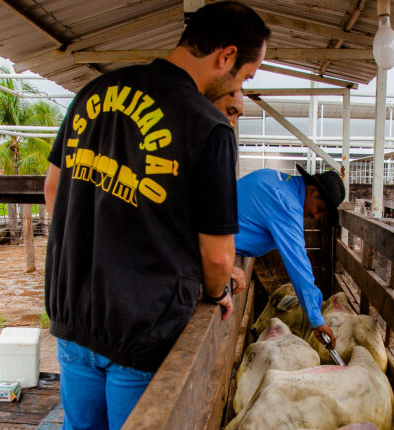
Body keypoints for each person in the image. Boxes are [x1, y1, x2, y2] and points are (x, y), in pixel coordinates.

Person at [43, 2, 269, 428]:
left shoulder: (93, 92)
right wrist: (218, 292)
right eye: (244, 74)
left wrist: (92, 257)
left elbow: (54, 190)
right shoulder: (209, 127)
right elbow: (219, 259)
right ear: (226, 56)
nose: (238, 86)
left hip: (72, 314)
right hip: (142, 329)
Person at [211, 91, 343, 348]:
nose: (316, 216)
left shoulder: (273, 178)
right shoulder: (286, 203)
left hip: (209, 242)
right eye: (320, 209)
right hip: (198, 248)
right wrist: (316, 319)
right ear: (313, 191)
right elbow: (298, 261)